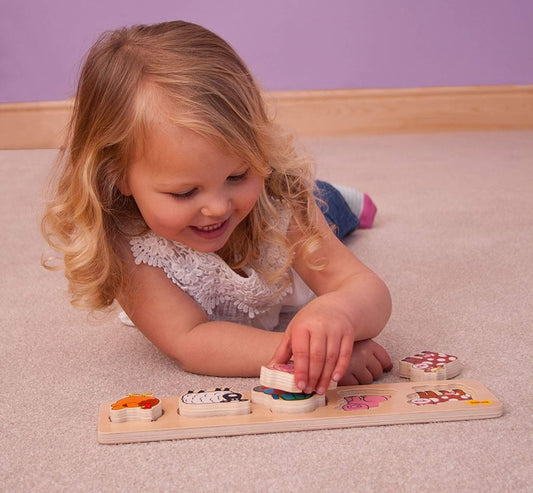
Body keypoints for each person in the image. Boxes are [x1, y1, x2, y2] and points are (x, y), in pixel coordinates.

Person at [42, 21, 392, 395]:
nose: (217, 208)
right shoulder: (126, 243)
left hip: (274, 208)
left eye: (238, 174)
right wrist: (307, 357)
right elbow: (191, 340)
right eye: (185, 192)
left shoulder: (278, 194)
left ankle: (338, 198)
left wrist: (339, 312)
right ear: (119, 177)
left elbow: (361, 285)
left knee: (327, 209)